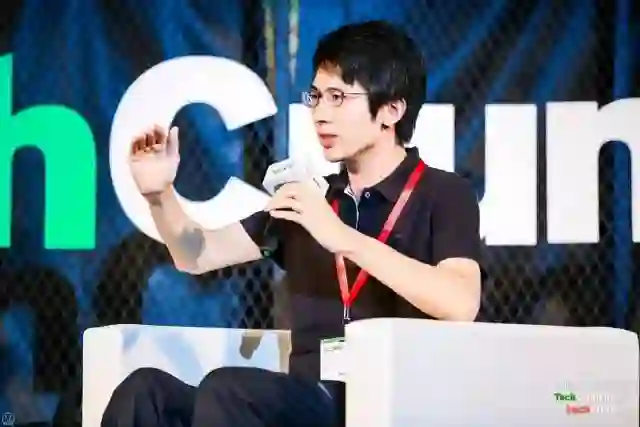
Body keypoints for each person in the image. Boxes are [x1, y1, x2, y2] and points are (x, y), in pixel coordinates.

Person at [101, 20, 482, 427]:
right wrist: (159, 195)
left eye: (338, 97)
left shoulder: (442, 193)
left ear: (392, 109)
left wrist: (342, 237)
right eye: (316, 97)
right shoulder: (312, 201)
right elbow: (196, 255)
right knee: (145, 391)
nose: (320, 114)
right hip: (307, 398)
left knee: (228, 390)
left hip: (385, 403)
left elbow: (460, 302)